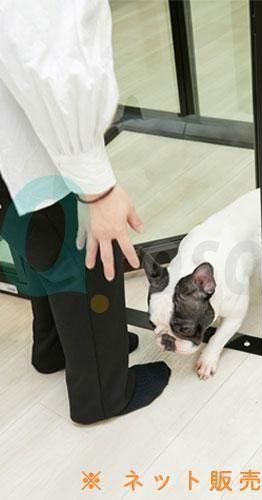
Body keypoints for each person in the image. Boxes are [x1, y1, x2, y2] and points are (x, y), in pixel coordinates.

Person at [0, 0, 170, 424]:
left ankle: (53, 348)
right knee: (78, 253)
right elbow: (51, 52)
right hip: (33, 139)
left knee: (29, 227)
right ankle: (102, 394)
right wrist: (98, 189)